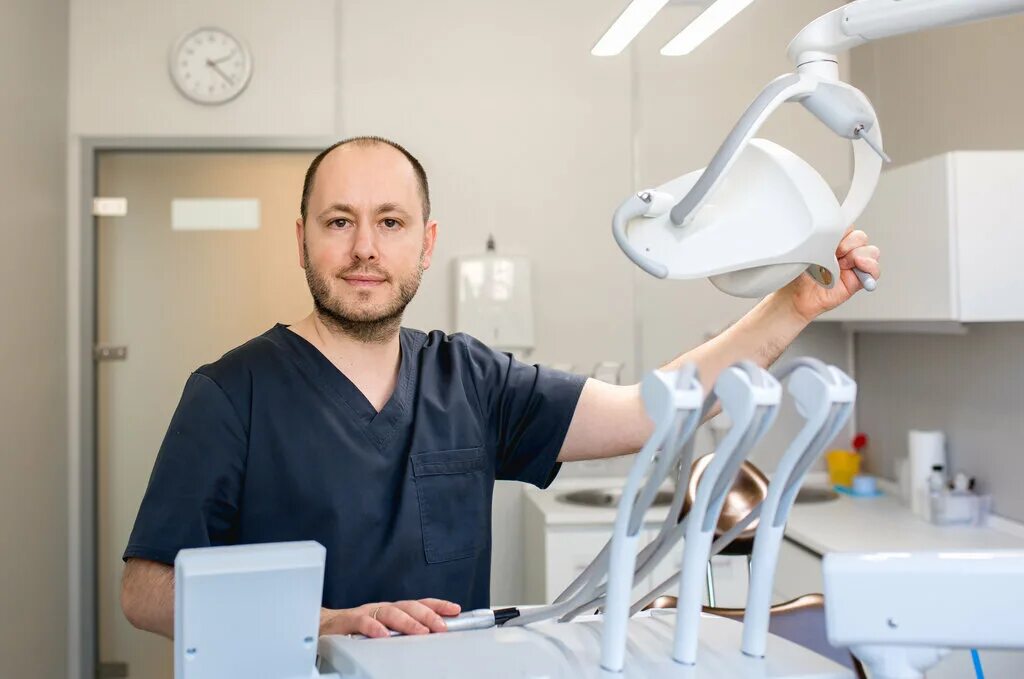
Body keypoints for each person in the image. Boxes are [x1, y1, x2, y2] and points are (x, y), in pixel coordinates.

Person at [120, 136, 880, 640]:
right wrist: (323, 623)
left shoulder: (472, 380)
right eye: (339, 221)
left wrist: (792, 306)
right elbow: (145, 589)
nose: (364, 249)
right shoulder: (231, 393)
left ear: (427, 243)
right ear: (301, 240)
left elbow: (648, 413)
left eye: (391, 222)